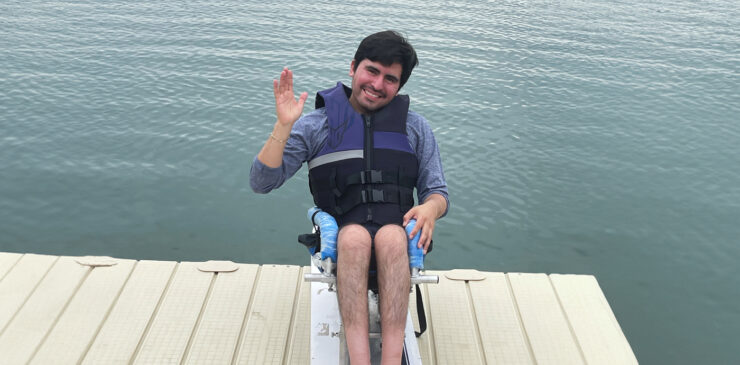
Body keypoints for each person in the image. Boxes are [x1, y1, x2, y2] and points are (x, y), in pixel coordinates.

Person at [250, 30, 448, 365]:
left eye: (390, 78)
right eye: (371, 70)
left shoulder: (416, 128)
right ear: (353, 67)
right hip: (343, 232)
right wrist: (283, 127)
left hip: (396, 232)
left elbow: (437, 191)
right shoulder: (316, 126)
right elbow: (262, 181)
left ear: (399, 86)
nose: (377, 84)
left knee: (389, 238)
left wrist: (430, 208)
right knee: (355, 238)